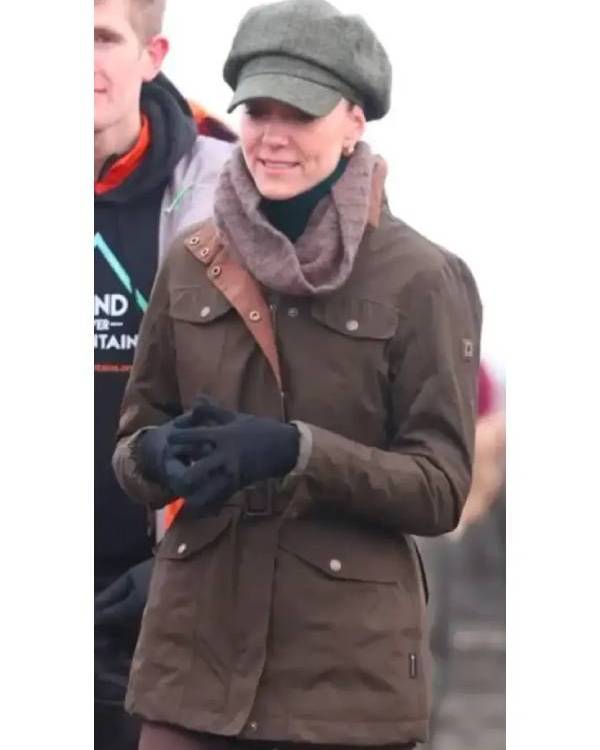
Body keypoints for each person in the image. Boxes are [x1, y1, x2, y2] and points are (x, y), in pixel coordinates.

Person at [112, 1, 482, 747]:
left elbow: (440, 487)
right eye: (258, 112)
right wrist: (156, 456)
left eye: (301, 113)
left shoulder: (424, 279)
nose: (273, 136)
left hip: (343, 687)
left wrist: (295, 452)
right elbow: (134, 440)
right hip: (192, 670)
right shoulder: (191, 261)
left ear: (353, 122)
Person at [94, 1, 235, 748]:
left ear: (153, 55)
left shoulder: (228, 191)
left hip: (155, 597)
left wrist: (182, 564)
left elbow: (258, 400)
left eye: (101, 38)